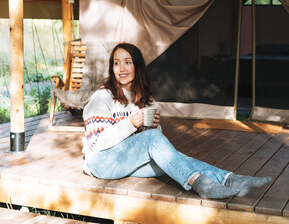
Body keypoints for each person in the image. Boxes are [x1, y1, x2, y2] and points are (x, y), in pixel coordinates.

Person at [82, 43, 271, 199]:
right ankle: (202, 185)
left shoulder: (145, 98)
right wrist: (130, 123)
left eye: (127, 62)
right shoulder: (103, 97)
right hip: (101, 163)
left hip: (126, 161)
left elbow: (158, 145)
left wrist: (153, 125)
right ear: (112, 68)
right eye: (116, 63)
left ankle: (231, 179)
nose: (121, 68)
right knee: (155, 141)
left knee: (174, 157)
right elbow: (95, 142)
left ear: (137, 67)